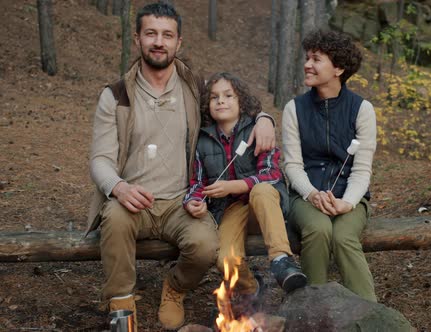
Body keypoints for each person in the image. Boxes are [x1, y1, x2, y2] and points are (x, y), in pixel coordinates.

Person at [86, 3, 276, 330]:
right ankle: (121, 306)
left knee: (205, 246)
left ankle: (175, 287)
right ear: (137, 39)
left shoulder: (193, 88)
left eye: (167, 35)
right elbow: (100, 158)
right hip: (135, 199)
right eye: (151, 34)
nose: (159, 42)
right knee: (115, 219)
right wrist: (119, 187)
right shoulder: (116, 95)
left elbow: (233, 109)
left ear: (178, 43)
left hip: (181, 202)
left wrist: (264, 118)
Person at [183, 72, 307, 306]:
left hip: (266, 203)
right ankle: (252, 287)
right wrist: (194, 200)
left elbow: (272, 175)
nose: (221, 101)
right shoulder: (201, 140)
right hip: (231, 208)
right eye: (214, 97)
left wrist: (236, 185)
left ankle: (282, 260)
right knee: (226, 260)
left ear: (241, 101)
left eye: (229, 96)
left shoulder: (257, 129)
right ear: (206, 105)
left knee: (259, 191)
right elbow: (197, 182)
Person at [282, 29, 378, 302]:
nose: (308, 65)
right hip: (305, 195)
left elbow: (361, 170)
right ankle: (313, 309)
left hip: (351, 198)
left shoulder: (362, 109)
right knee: (319, 229)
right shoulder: (294, 109)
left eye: (316, 59)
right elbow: (292, 165)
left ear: (338, 68)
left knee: (344, 237)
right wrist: (312, 194)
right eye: (307, 58)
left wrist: (347, 203)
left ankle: (370, 314)